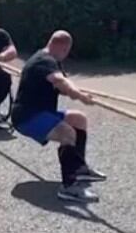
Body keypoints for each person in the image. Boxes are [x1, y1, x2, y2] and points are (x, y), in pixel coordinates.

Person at [11, 30, 106, 203]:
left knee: (79, 119)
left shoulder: (52, 60)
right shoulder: (44, 61)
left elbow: (63, 87)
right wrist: (79, 95)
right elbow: (60, 81)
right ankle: (69, 187)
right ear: (64, 48)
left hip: (42, 112)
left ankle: (79, 169)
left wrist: (76, 93)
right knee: (67, 133)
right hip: (27, 117)